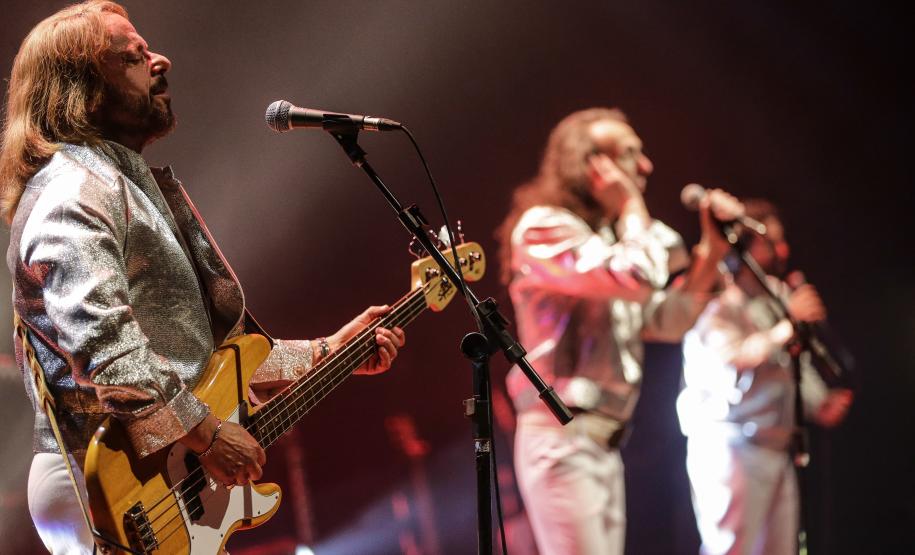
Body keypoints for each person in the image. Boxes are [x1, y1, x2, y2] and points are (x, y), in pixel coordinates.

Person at [0, 2, 405, 553]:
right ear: (83, 88)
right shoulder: (74, 192)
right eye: (134, 56)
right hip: (108, 482)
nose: (160, 60)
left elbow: (203, 357)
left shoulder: (116, 182)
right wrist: (207, 432)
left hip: (153, 471)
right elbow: (104, 346)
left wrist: (327, 352)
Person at [496, 107, 742, 554]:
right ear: (592, 166)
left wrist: (711, 252)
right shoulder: (543, 229)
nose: (644, 167)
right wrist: (631, 204)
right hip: (562, 437)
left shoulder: (605, 243)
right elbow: (637, 275)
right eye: (629, 154)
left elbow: (665, 319)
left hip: (602, 444)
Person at [675, 198, 852, 555]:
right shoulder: (719, 303)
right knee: (731, 549)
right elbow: (732, 359)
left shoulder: (775, 300)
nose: (782, 249)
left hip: (777, 447)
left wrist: (821, 405)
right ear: (744, 248)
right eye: (770, 242)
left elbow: (791, 368)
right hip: (732, 447)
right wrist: (788, 326)